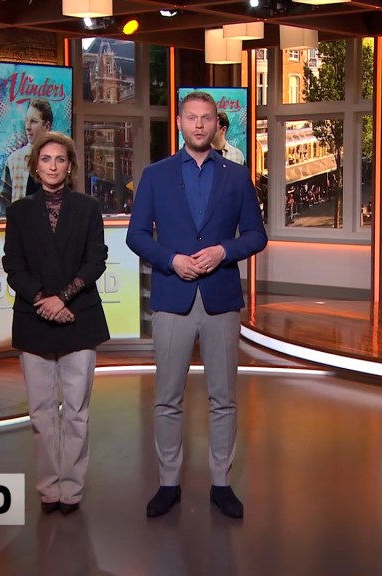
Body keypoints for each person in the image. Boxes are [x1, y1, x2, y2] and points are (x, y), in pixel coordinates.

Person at [127, 90, 267, 519]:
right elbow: (136, 236)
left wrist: (224, 251)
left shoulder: (237, 176)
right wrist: (171, 260)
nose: (200, 124)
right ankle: (168, 482)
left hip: (220, 299)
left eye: (207, 118)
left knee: (223, 398)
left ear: (216, 123)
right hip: (173, 297)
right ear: (179, 123)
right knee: (167, 397)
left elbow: (256, 235)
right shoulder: (156, 174)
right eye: (192, 117)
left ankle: (221, 483)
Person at [2, 131, 110, 516]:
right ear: (35, 165)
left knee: (77, 410)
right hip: (34, 319)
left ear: (70, 166)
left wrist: (62, 298)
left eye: (60, 159)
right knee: (41, 412)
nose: (52, 166)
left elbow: (96, 259)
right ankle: (49, 487)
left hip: (79, 316)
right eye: (45, 159)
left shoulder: (88, 208)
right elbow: (13, 265)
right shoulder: (19, 212)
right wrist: (43, 301)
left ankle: (72, 488)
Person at [0, 98, 52, 210]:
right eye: (26, 120)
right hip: (21, 220)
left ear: (47, 126)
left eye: (33, 121)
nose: (27, 127)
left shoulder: (57, 161)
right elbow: (2, 203)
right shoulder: (14, 160)